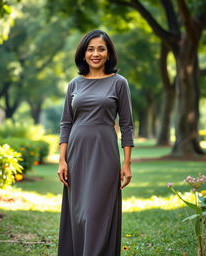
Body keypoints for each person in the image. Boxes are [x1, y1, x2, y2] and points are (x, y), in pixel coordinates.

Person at [57, 29, 135, 256]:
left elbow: (128, 125)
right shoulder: (74, 85)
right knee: (79, 214)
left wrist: (127, 163)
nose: (96, 54)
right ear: (83, 54)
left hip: (104, 153)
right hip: (77, 154)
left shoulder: (119, 83)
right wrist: (62, 160)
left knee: (95, 213)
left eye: (101, 49)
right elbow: (65, 124)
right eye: (90, 49)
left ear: (109, 53)